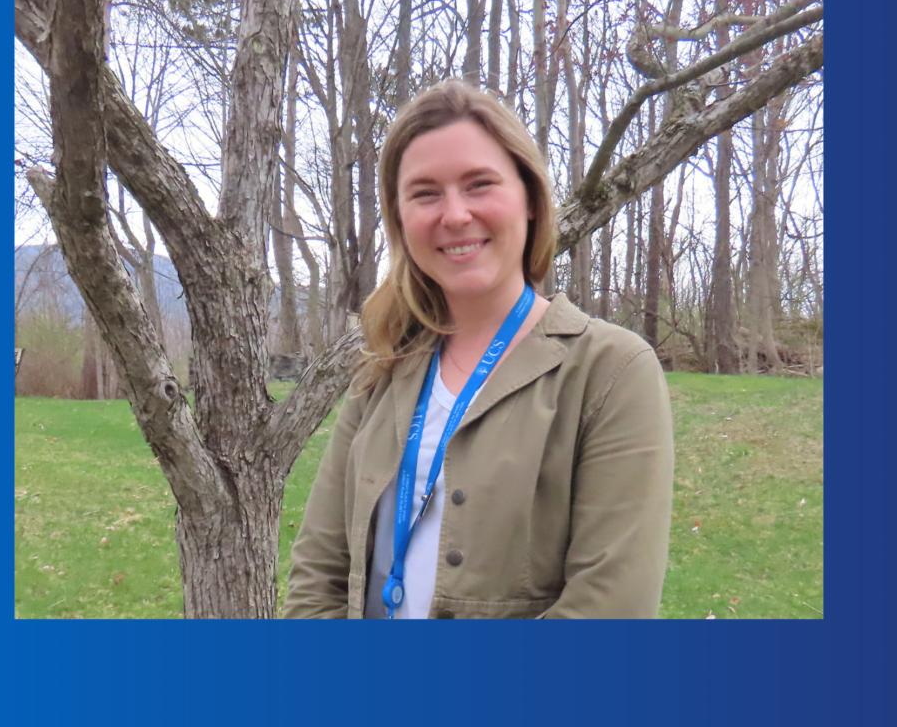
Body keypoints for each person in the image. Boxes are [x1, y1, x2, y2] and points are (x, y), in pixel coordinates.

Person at [283, 80, 674, 619]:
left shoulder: (610, 371)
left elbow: (611, 607)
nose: (455, 214)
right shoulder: (384, 370)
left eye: (479, 184)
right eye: (425, 193)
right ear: (400, 221)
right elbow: (316, 575)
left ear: (531, 200)